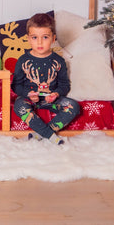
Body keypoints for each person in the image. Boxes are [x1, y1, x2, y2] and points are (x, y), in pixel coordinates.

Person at [11, 12, 80, 144]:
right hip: (30, 99)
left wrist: (56, 94)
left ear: (53, 39)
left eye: (45, 37)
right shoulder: (23, 60)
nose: (40, 42)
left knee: (73, 106)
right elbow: (16, 85)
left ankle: (41, 133)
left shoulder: (59, 61)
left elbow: (65, 85)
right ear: (28, 39)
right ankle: (51, 136)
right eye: (35, 37)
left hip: (50, 100)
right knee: (19, 106)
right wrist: (28, 94)